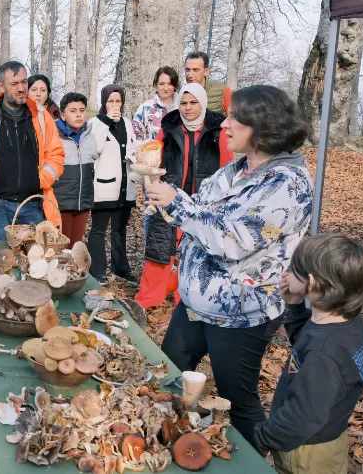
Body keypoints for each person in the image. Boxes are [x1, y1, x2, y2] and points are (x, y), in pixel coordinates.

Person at [145, 84, 313, 452]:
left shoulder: (287, 185)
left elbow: (232, 240)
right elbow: (201, 209)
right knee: (167, 375)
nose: (225, 125)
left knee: (238, 400)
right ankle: (161, 445)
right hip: (194, 305)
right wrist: (167, 200)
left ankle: (254, 460)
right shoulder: (235, 170)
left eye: (237, 118)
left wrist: (181, 207)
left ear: (263, 127)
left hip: (242, 313)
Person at [254, 234, 363, 474]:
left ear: (311, 281)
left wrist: (261, 438)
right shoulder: (343, 322)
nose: (287, 274)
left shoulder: (324, 353)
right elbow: (303, 344)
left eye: (293, 270)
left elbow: (302, 417)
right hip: (324, 438)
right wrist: (296, 305)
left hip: (306, 452)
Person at [136, 83, 232, 308]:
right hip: (168, 197)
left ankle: (186, 297)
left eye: (193, 103)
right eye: (184, 103)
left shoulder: (218, 129)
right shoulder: (168, 128)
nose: (188, 108)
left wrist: (221, 199)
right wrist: (152, 185)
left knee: (196, 249)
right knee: (159, 248)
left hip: (202, 200)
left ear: (203, 103)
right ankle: (149, 298)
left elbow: (226, 167)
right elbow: (152, 159)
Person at [0, 61, 64, 239]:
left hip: (33, 204)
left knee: (36, 260)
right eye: (14, 84)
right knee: (2, 261)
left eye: (24, 82)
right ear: (1, 86)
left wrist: (39, 179)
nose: (21, 88)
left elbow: (56, 154)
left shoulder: (41, 116)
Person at [87, 84, 138, 284]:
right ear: (104, 102)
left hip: (125, 186)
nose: (115, 105)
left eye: (118, 101)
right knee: (99, 230)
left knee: (119, 229)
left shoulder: (127, 122)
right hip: (104, 186)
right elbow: (95, 148)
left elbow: (132, 149)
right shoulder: (95, 122)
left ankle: (121, 268)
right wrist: (107, 120)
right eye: (111, 101)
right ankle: (98, 270)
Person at [52, 92, 96, 244]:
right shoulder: (54, 136)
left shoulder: (89, 135)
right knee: (60, 249)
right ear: (63, 115)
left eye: (81, 110)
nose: (78, 115)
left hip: (83, 202)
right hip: (60, 204)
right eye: (73, 111)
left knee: (74, 247)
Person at [132, 66, 178, 142]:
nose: (166, 88)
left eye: (170, 84)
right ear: (156, 84)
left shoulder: (182, 106)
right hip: (152, 152)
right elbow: (134, 137)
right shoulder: (145, 108)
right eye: (162, 84)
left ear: (175, 85)